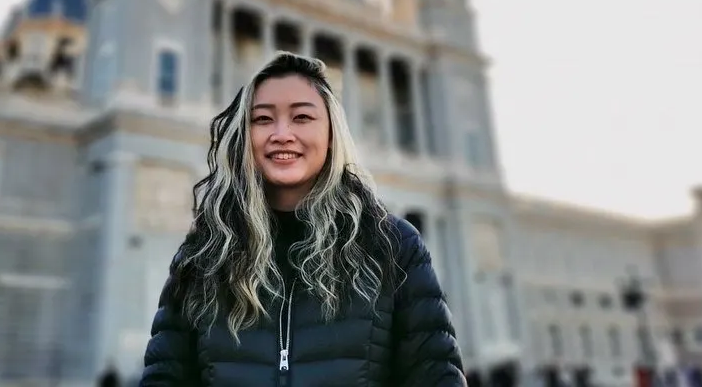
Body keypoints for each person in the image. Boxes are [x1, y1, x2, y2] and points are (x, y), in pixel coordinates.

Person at [140, 51, 465, 386]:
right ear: (243, 137)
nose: (282, 133)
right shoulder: (206, 254)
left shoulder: (392, 245)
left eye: (302, 118)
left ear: (331, 135)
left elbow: (437, 377)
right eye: (263, 119)